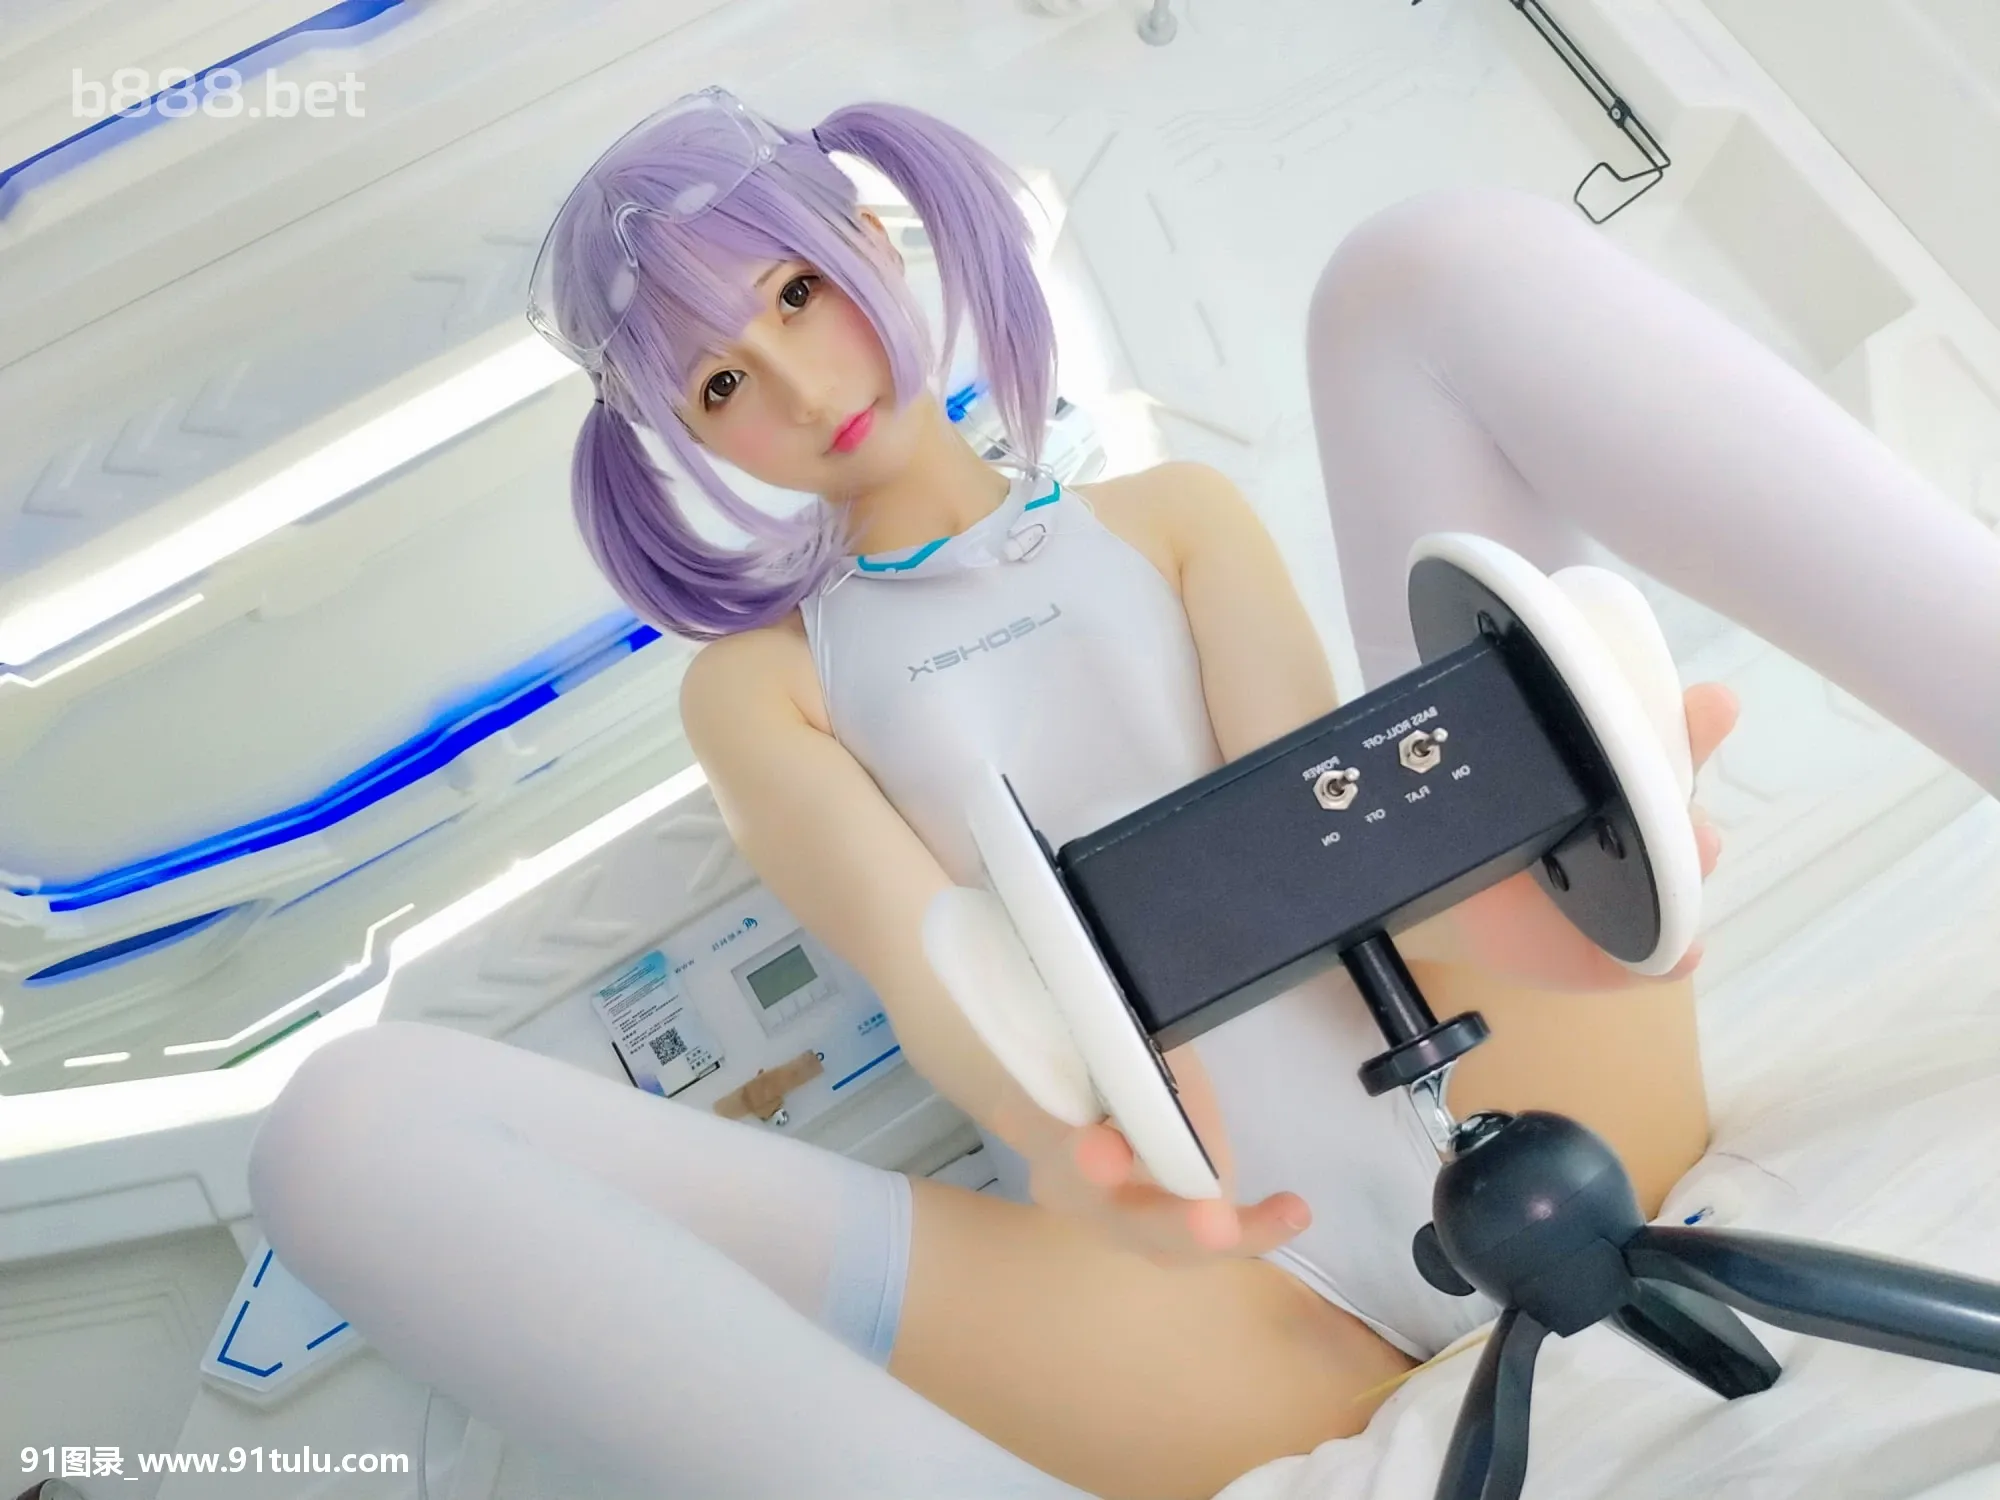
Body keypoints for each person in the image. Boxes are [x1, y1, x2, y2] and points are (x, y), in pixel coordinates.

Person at [245, 89, 2000, 1500]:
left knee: (1424, 269)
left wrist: (1543, 853)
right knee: (346, 1128)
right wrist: (1079, 1169)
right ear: (687, 444)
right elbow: (929, 963)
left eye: (794, 294)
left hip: (1520, 1073)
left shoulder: (1172, 518)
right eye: (720, 384)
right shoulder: (764, 686)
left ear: (869, 238)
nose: (800, 383)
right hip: (1204, 1290)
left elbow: (1335, 820)